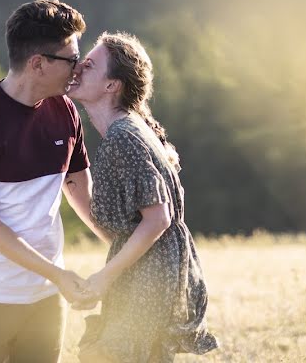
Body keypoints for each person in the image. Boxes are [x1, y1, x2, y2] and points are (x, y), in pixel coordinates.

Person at [0, 0, 102, 363]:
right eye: (71, 60)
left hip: (45, 299)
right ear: (37, 64)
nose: (78, 69)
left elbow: (83, 194)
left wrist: (124, 249)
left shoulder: (65, 111)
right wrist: (59, 275)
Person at [67, 31, 219, 363]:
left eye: (89, 65)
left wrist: (103, 279)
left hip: (148, 278)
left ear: (112, 85)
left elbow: (158, 219)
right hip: (152, 272)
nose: (77, 68)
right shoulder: (131, 128)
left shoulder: (122, 136)